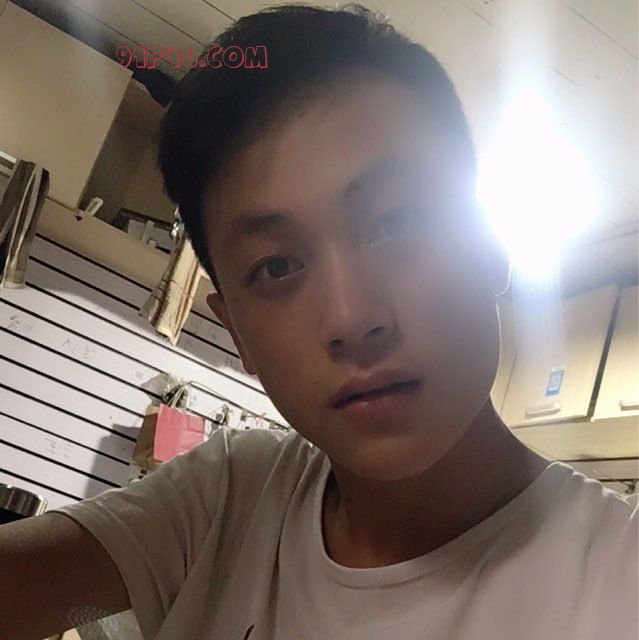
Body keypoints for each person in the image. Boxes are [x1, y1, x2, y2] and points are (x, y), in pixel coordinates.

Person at [1, 4, 637, 640]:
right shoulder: (229, 501)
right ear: (236, 333)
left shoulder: (618, 575)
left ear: (492, 246)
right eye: (276, 267)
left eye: (396, 222)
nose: (352, 319)